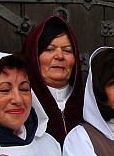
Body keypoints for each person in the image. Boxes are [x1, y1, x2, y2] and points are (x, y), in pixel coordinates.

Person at [20, 14, 85, 143]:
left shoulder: (89, 105)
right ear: (34, 57)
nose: (59, 56)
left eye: (67, 51)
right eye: (49, 49)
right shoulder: (22, 104)